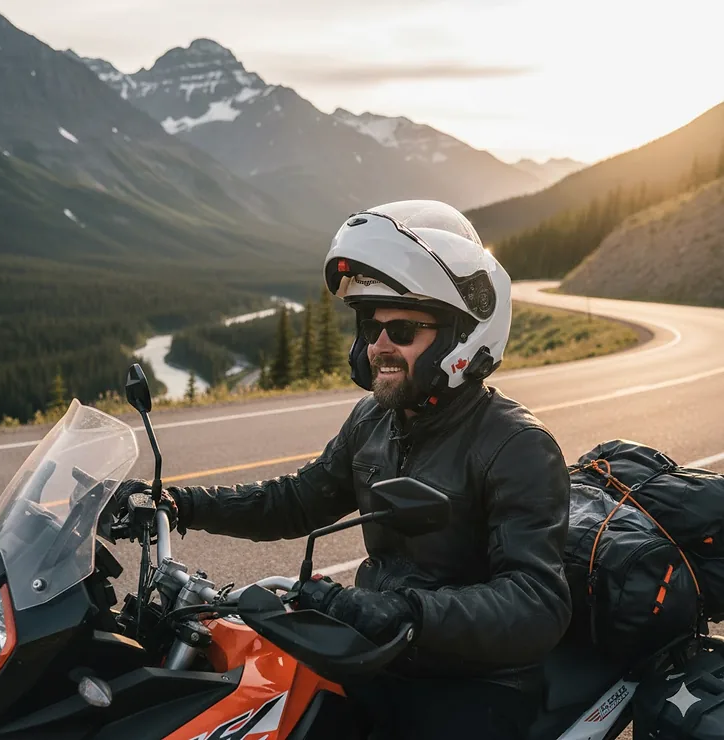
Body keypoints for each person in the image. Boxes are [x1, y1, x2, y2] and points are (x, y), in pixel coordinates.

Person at [115, 200, 572, 739]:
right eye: (370, 325)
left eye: (402, 328)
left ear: (460, 337)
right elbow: (298, 498)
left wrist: (405, 613)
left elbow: (537, 601)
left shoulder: (517, 444)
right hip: (376, 654)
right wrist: (181, 504)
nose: (378, 344)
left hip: (474, 683)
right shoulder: (375, 418)